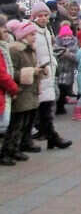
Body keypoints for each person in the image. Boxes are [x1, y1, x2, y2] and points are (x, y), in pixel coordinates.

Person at [30, 2, 71, 149]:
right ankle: (51, 136)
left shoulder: (47, 30)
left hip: (49, 71)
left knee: (46, 106)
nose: (43, 18)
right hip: (40, 72)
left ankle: (49, 136)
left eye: (45, 15)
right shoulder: (32, 30)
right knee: (41, 107)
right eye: (40, 16)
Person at [2, 21, 43, 164]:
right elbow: (12, 71)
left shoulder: (30, 50)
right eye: (32, 34)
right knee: (16, 123)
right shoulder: (16, 51)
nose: (34, 37)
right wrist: (31, 72)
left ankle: (17, 148)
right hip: (21, 92)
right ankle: (7, 150)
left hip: (30, 91)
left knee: (25, 122)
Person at [0, 15, 20, 165]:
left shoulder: (4, 47)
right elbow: (2, 74)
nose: (6, 31)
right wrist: (13, 87)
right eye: (3, 28)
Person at [55, 25, 78, 115]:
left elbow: (76, 56)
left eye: (68, 36)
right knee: (58, 89)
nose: (66, 39)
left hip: (69, 70)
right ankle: (58, 106)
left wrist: (68, 55)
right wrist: (62, 54)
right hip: (58, 71)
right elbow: (54, 53)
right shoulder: (56, 44)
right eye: (64, 36)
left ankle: (61, 105)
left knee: (65, 89)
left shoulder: (74, 45)